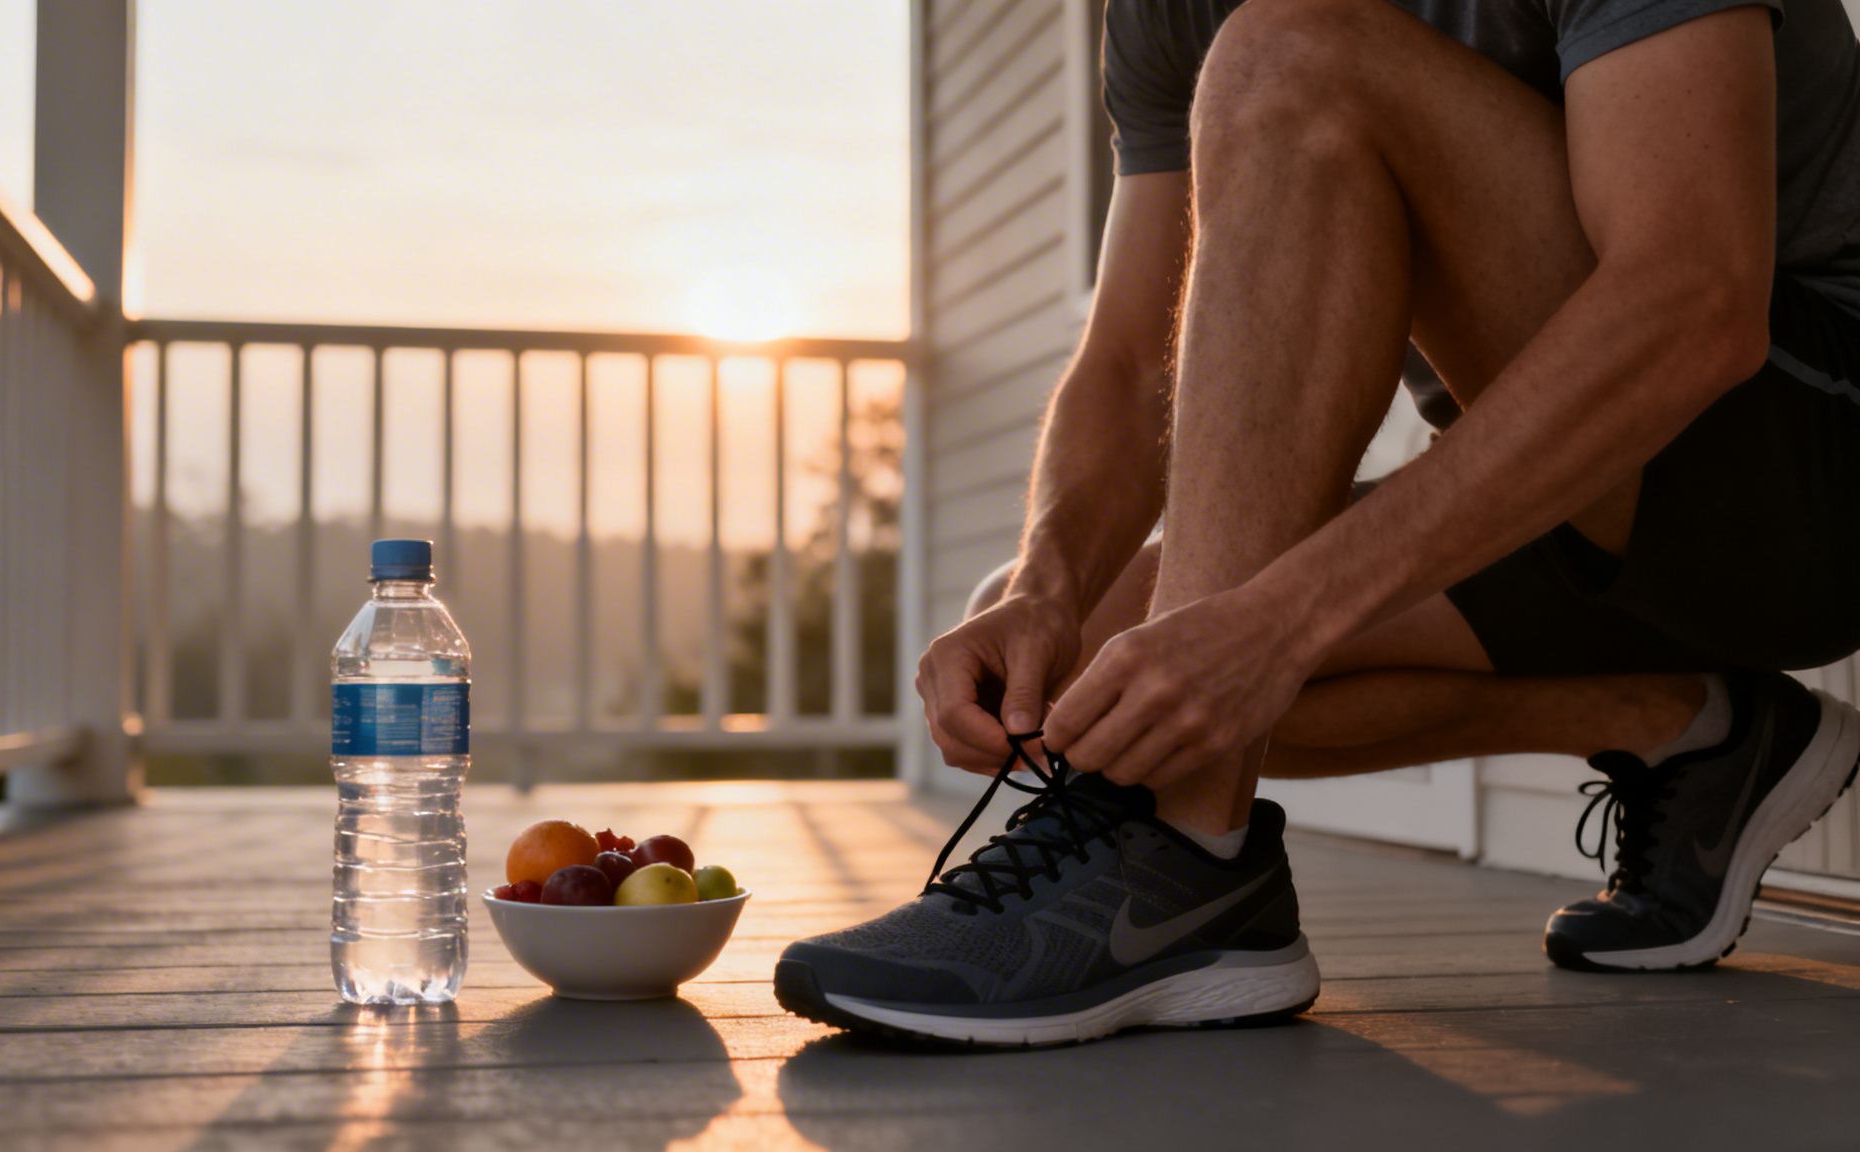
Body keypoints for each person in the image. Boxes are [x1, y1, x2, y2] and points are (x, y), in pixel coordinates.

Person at [774, 0, 1860, 1046]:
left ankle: (1176, 858)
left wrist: (1272, 625)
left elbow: (1693, 303)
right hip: (1576, 505)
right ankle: (1692, 731)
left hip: (1809, 480)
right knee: (1068, 670)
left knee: (1295, 54)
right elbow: (1132, 361)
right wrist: (1041, 587)